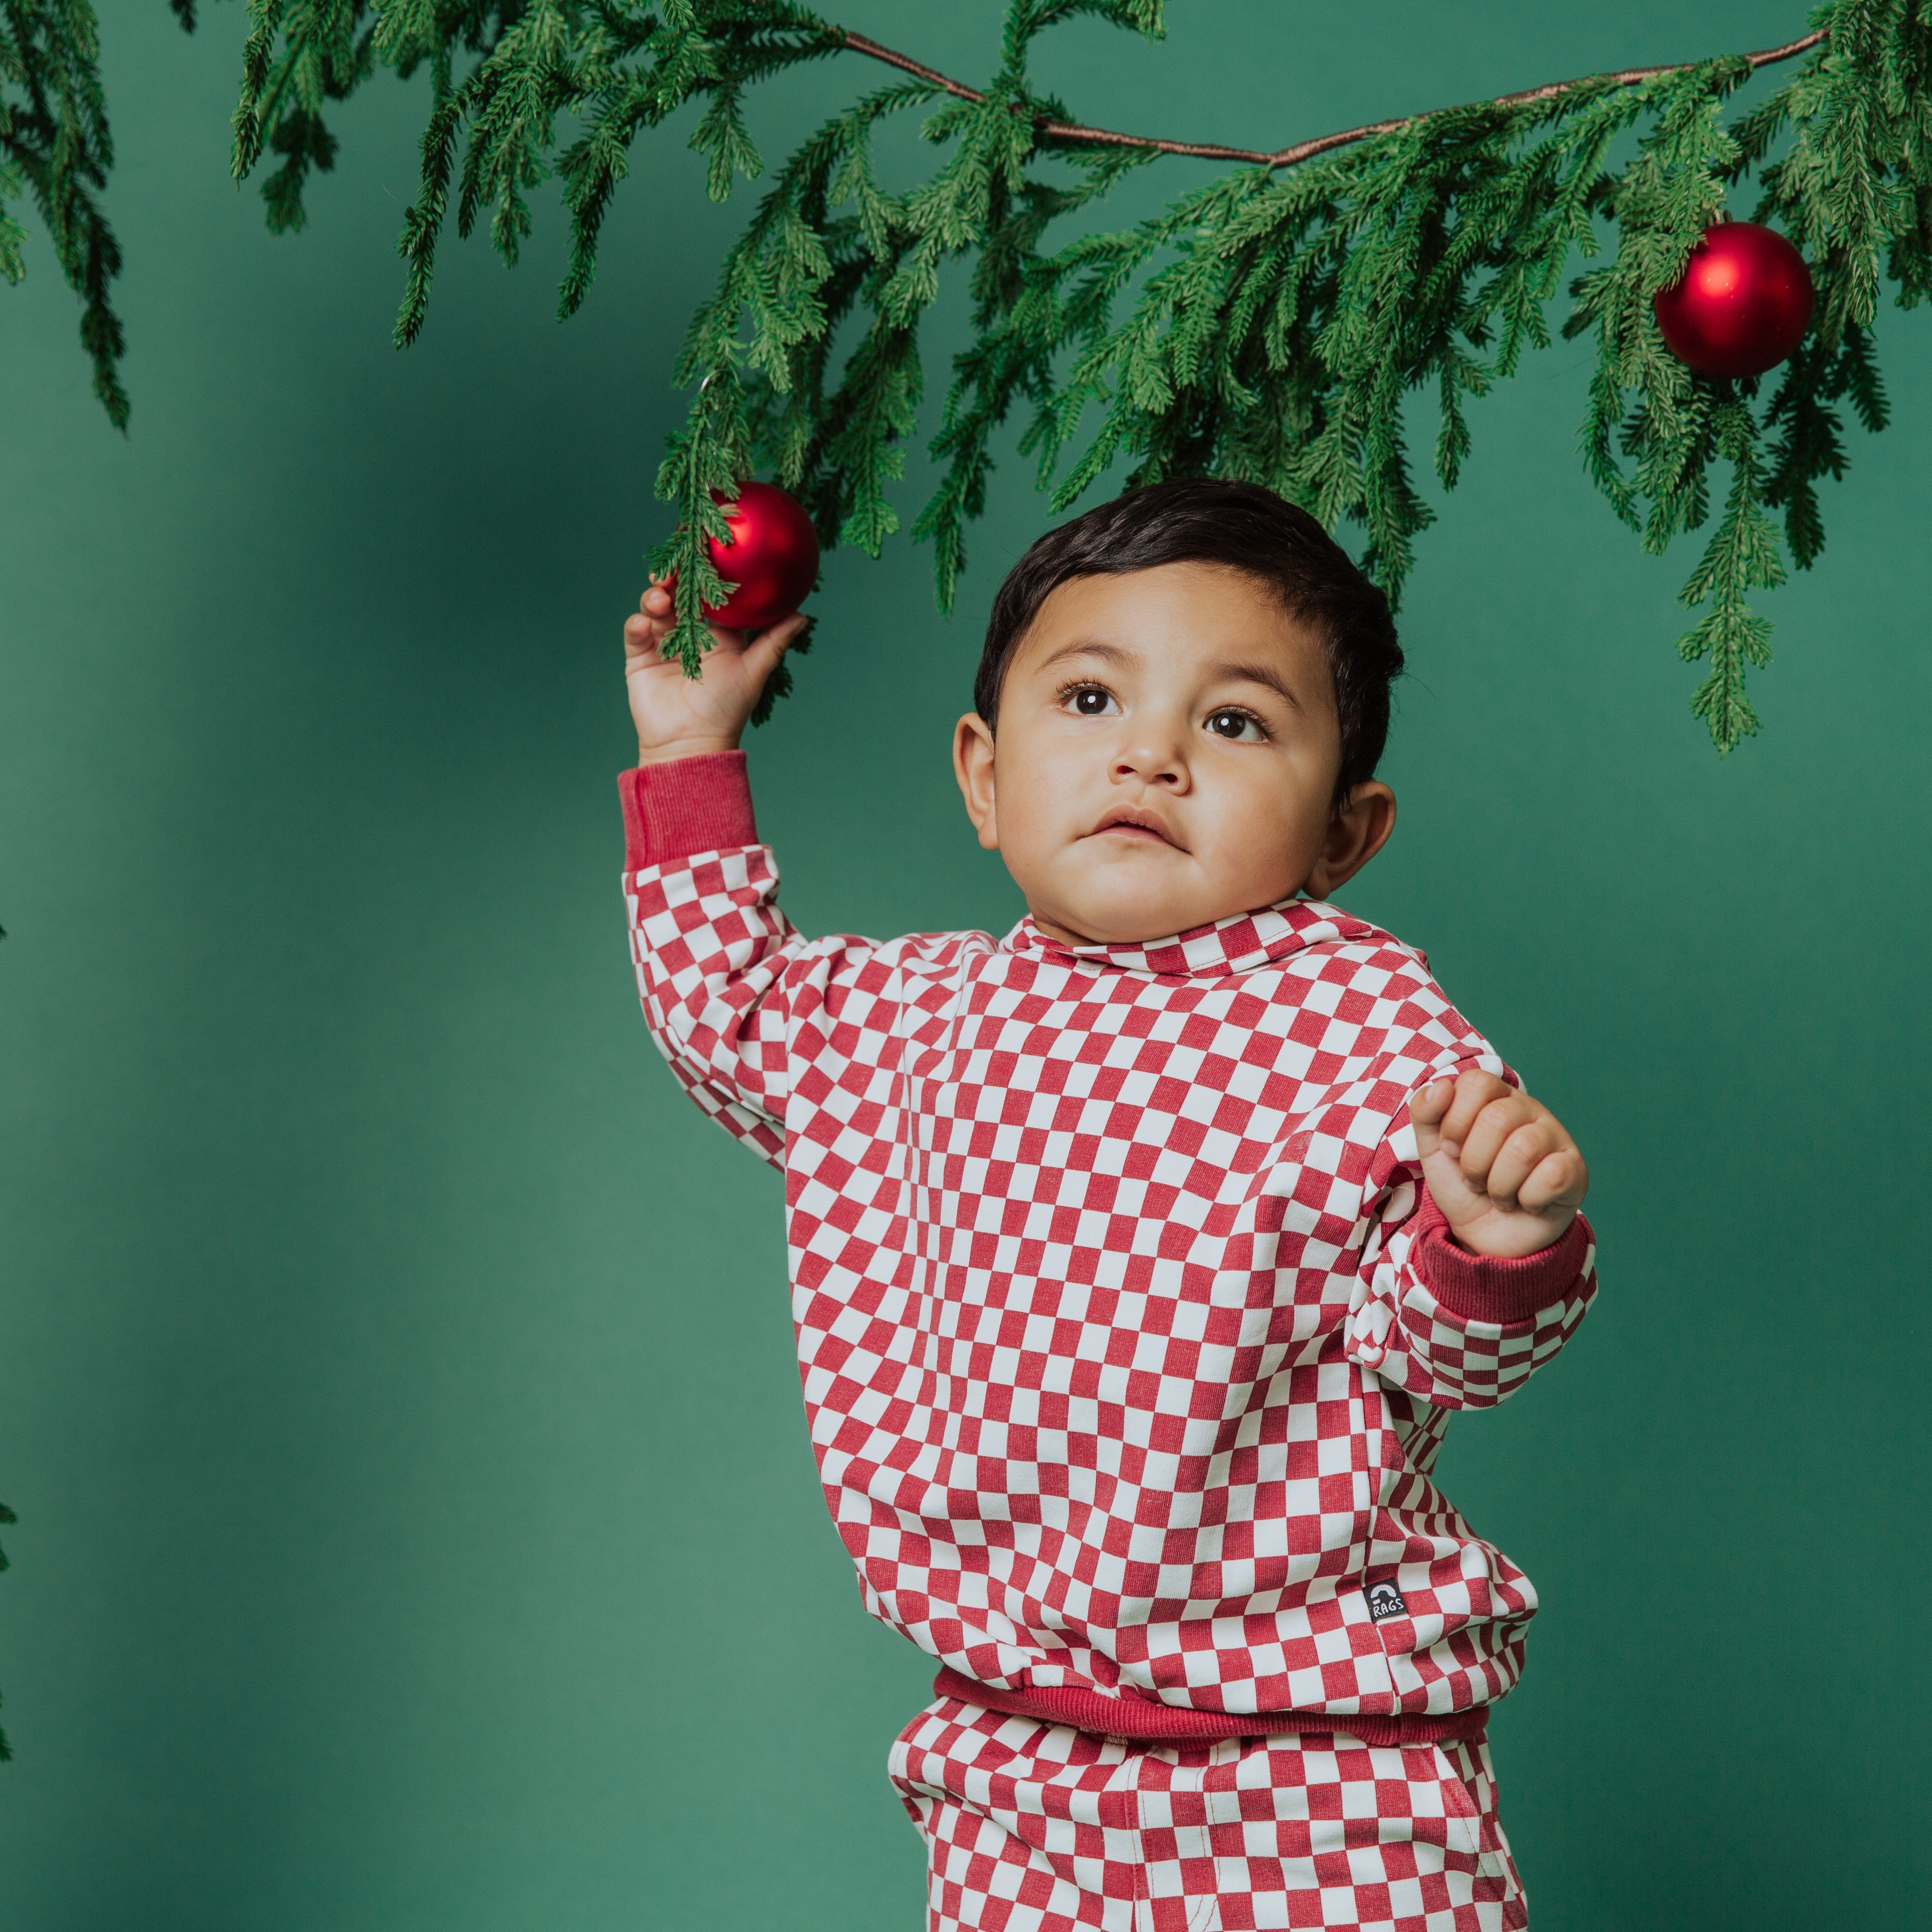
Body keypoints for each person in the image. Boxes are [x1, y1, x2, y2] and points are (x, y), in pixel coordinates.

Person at [618, 478, 1595, 1931]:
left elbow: (1442, 1354)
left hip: (1326, 1768)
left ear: (1344, 832)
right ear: (984, 776)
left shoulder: (1367, 1024)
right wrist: (692, 744)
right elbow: (725, 1011)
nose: (1150, 754)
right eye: (1087, 699)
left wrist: (1500, 1243)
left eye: (1237, 722)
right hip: (1022, 1766)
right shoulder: (911, 1020)